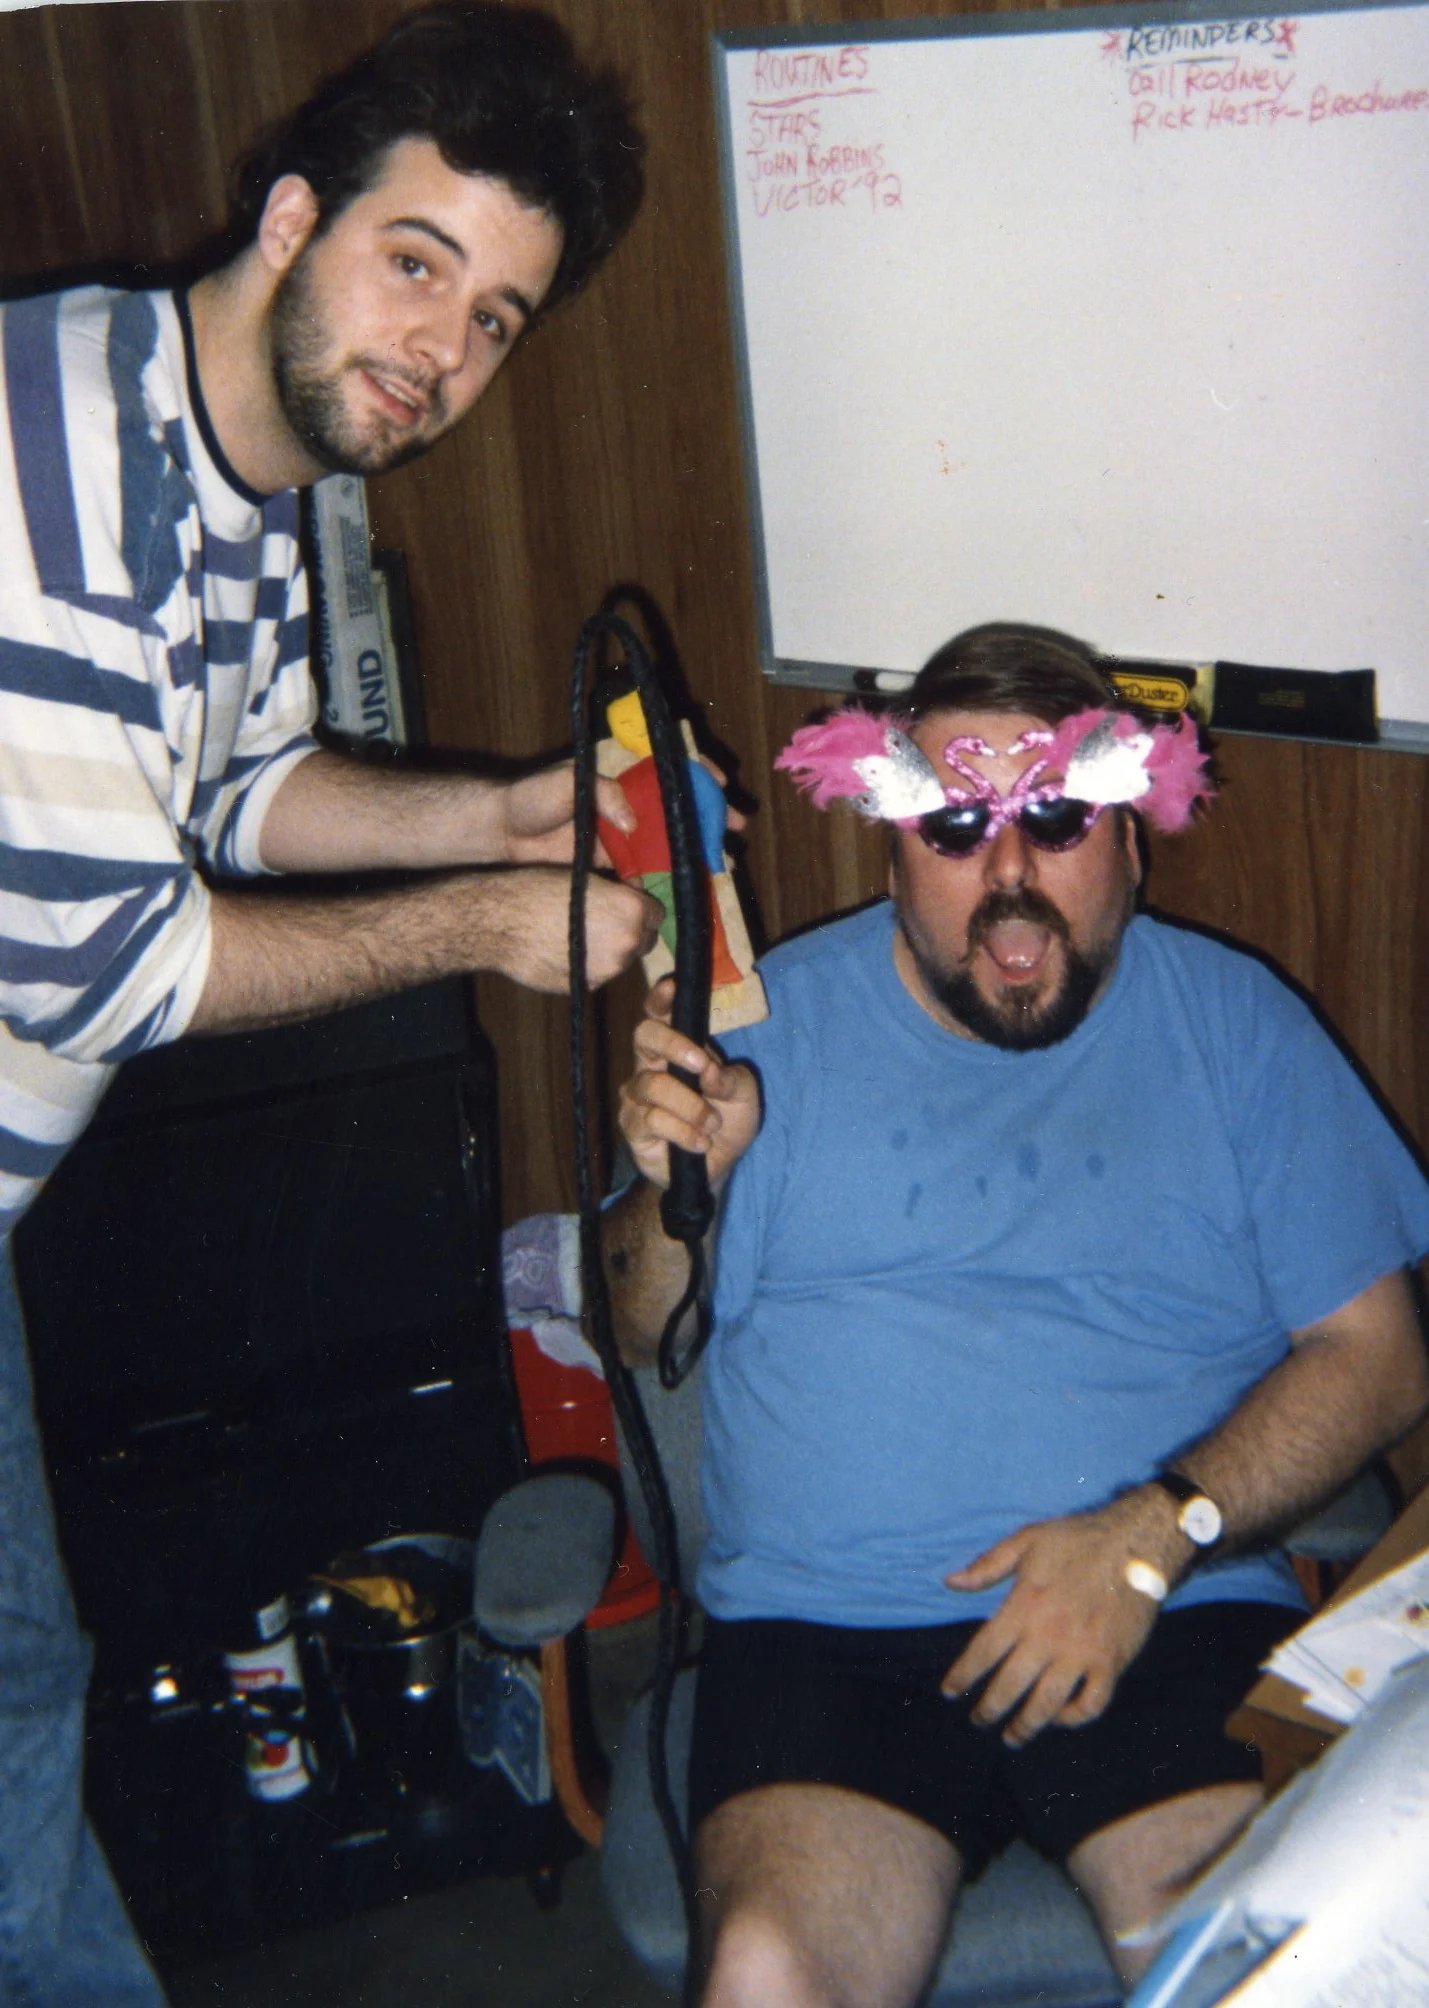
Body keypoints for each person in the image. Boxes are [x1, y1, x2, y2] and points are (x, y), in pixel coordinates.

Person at [0, 7, 659, 2000]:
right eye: (415, 261)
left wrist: (502, 809)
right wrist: (485, 923)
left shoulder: (247, 455)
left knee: (21, 1678)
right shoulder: (50, 460)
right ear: (292, 217)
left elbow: (246, 785)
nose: (442, 350)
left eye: (496, 317)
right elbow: (117, 963)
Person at [605, 622, 1429, 2008]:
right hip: (827, 1634)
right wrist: (677, 1184)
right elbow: (641, 1329)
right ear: (892, 854)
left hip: (1159, 1606)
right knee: (765, 1977)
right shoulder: (759, 1024)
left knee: (1285, 1976)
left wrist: (1154, 1536)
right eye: (953, 828)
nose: (1006, 872)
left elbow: (1382, 1359)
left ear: (1133, 845)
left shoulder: (1239, 1032)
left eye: (1055, 822)